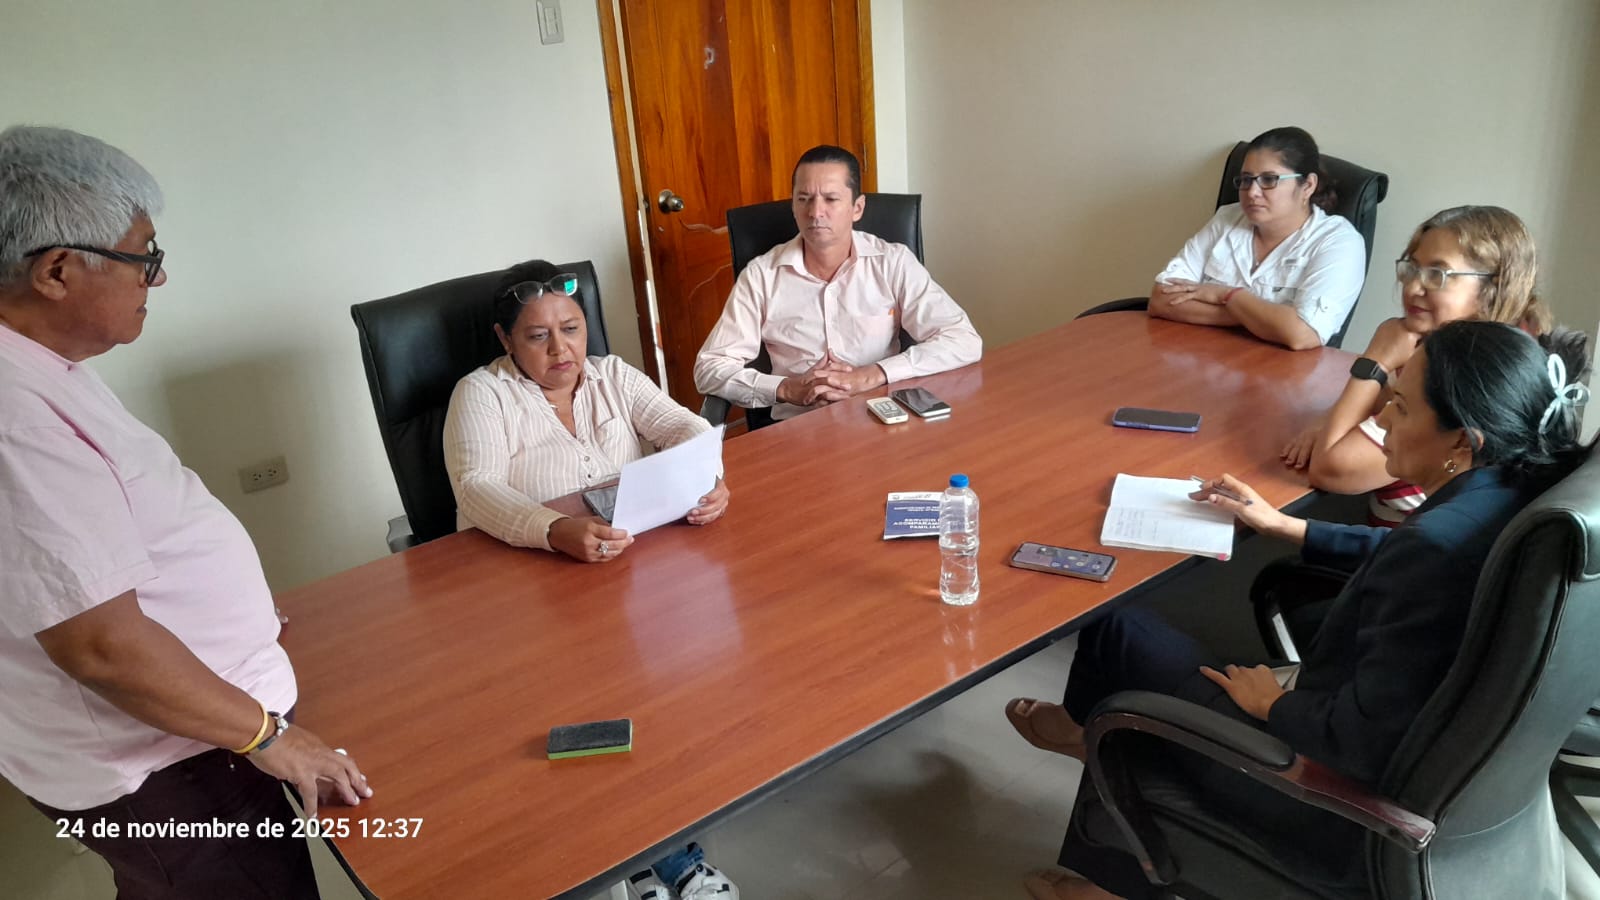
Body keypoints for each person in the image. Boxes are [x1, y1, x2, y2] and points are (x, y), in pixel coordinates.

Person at [1004, 320, 1589, 900]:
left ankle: (1104, 840)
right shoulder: (1516, 490)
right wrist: (1288, 527)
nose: (1383, 420)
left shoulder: (1437, 546)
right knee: (1137, 662)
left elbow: (1358, 742)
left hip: (1330, 801)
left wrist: (1275, 704)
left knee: (1116, 637)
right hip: (1448, 806)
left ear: (1464, 441)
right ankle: (1094, 754)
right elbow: (1407, 554)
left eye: (1402, 408)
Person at [0, 126, 370, 898]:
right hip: (167, 766)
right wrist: (271, 738)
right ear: (58, 271)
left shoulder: (41, 364)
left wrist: (229, 618)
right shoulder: (15, 418)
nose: (157, 278)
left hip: (192, 730)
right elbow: (101, 647)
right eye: (145, 256)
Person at [1282, 205, 1557, 526]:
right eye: (1412, 268)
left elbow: (1330, 468)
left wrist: (1375, 361)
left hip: (1403, 549)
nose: (1413, 287)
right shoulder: (1469, 350)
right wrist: (1328, 420)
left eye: (1438, 275)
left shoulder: (1467, 380)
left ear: (1492, 289)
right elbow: (1380, 404)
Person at [444, 260, 732, 564]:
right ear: (506, 339)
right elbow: (477, 486)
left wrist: (705, 477)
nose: (559, 348)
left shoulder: (613, 375)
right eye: (538, 336)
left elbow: (682, 425)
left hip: (631, 550)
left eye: (570, 329)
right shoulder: (481, 393)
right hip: (527, 564)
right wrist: (553, 530)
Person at [693, 144, 982, 421]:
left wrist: (872, 374)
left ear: (857, 208)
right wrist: (787, 389)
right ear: (793, 205)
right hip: (798, 429)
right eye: (803, 199)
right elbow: (709, 368)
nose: (815, 212)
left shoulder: (892, 262)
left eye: (830, 199)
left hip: (882, 418)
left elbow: (964, 340)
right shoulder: (761, 276)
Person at [1148, 126, 1366, 350]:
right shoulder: (1227, 218)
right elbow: (1161, 300)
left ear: (1308, 185)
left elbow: (1303, 334)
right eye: (1246, 179)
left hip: (1280, 367)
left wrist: (1229, 295)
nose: (1252, 192)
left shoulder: (1338, 242)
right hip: (1205, 354)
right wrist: (1259, 320)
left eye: (1269, 179)